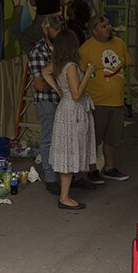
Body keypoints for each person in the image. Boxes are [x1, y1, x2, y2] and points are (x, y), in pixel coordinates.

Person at [28, 15, 96, 196]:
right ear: (45, 29)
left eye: (60, 29)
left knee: (69, 144)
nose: (57, 32)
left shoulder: (61, 60)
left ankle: (73, 178)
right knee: (55, 141)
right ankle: (52, 179)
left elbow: (47, 71)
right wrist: (84, 76)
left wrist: (60, 88)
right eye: (55, 29)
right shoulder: (40, 53)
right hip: (54, 103)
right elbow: (43, 84)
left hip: (64, 104)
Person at [42, 30, 97, 210]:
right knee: (69, 151)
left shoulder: (59, 64)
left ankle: (64, 195)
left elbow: (44, 72)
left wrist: (58, 89)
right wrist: (88, 73)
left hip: (64, 110)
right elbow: (76, 94)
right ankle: (64, 198)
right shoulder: (71, 66)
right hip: (72, 112)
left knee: (66, 151)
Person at [79, 15, 131, 182]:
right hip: (96, 103)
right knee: (94, 138)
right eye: (103, 26)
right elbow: (79, 75)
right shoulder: (85, 49)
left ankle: (110, 167)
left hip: (116, 102)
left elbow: (125, 64)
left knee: (112, 137)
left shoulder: (119, 44)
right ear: (94, 30)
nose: (108, 27)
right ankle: (92, 169)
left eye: (108, 24)